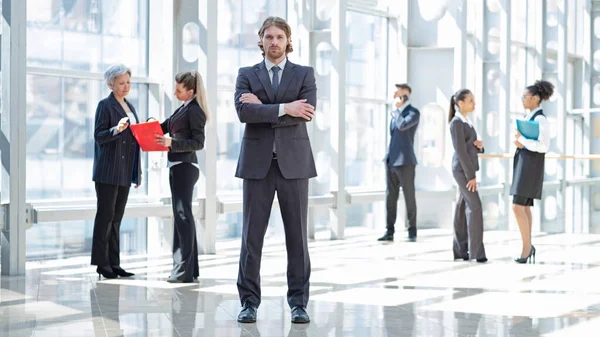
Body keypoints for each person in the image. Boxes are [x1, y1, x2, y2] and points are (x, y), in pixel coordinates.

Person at [234, 16, 317, 324]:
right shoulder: (246, 74)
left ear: (288, 40)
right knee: (250, 238)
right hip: (257, 166)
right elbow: (244, 113)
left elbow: (305, 113)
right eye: (268, 37)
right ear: (261, 40)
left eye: (279, 37)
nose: (274, 42)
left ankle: (298, 302)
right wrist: (285, 107)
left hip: (294, 165)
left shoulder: (305, 74)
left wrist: (264, 108)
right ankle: (249, 302)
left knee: (297, 238)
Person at [154, 71, 208, 282]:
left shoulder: (195, 111)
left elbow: (198, 143)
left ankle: (183, 271)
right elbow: (163, 127)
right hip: (178, 166)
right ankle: (189, 270)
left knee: (183, 216)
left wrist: (171, 143)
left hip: (185, 167)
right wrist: (141, 130)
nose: (175, 93)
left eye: (179, 90)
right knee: (182, 216)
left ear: (191, 92)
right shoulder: (182, 109)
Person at [91, 64, 141, 279]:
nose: (126, 86)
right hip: (108, 171)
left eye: (128, 82)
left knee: (117, 218)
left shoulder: (130, 105)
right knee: (106, 217)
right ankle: (102, 264)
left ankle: (114, 263)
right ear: (110, 84)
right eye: (121, 83)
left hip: (124, 172)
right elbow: (99, 135)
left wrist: (136, 173)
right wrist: (116, 129)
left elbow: (135, 141)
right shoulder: (105, 105)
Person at [511, 80, 554, 263]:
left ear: (535, 99)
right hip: (524, 162)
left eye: (524, 97)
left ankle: (526, 247)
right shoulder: (530, 116)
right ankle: (528, 246)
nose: (522, 100)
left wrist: (523, 140)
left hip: (530, 165)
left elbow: (544, 146)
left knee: (517, 206)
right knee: (525, 206)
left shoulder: (540, 119)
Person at [448, 89, 487, 263]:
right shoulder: (456, 123)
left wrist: (480, 146)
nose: (474, 103)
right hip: (462, 171)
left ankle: (460, 250)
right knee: (476, 206)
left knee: (461, 209)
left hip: (466, 170)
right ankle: (476, 253)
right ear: (461, 103)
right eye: (471, 100)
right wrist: (471, 176)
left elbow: (468, 147)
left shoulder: (466, 122)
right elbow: (461, 151)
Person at [378, 83, 420, 242]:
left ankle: (412, 231)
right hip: (391, 161)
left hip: (406, 161)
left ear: (406, 94)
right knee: (390, 197)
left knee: (409, 197)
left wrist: (397, 110)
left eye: (398, 92)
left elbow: (402, 126)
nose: (395, 94)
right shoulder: (395, 114)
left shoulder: (413, 113)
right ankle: (389, 232)